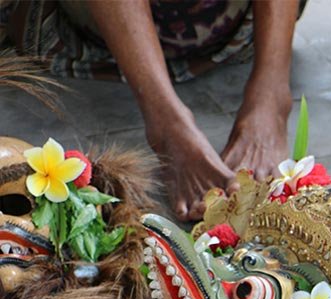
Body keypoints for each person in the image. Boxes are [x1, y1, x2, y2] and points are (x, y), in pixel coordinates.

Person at [1, 0, 302, 221]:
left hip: (238, 23)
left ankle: (271, 96)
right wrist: (166, 121)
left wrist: (270, 92)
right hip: (85, 29)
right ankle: (166, 122)